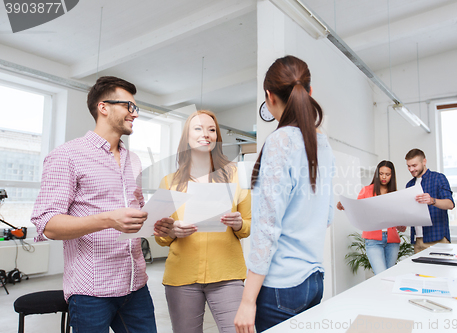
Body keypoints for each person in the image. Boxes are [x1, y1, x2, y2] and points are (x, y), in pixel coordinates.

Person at [31, 76, 174, 333]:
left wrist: (156, 223)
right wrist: (108, 219)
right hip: (91, 291)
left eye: (136, 108)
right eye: (129, 107)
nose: (135, 114)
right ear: (104, 107)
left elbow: (137, 212)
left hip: (136, 287)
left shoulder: (135, 161)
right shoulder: (66, 156)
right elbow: (48, 224)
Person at [233, 55, 335, 333]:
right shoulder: (322, 142)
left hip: (281, 286)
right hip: (314, 281)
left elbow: (267, 228)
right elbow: (327, 216)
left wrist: (247, 300)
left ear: (269, 96)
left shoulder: (279, 142)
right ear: (309, 92)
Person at [155, 110, 251, 333]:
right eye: (198, 129)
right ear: (186, 137)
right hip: (182, 276)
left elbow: (248, 224)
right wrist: (172, 231)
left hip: (227, 274)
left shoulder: (236, 175)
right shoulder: (169, 182)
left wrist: (239, 224)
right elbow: (160, 236)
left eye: (211, 130)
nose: (206, 134)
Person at [337, 160, 406, 275]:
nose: (384, 177)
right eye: (381, 173)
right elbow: (358, 212)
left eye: (387, 174)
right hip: (373, 241)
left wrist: (400, 223)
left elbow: (402, 227)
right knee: (381, 275)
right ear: (377, 174)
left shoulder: (396, 194)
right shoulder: (366, 191)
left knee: (389, 276)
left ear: (392, 176)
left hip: (392, 241)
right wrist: (346, 206)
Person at [405, 148, 454, 253]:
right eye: (408, 166)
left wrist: (432, 201)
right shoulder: (409, 185)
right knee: (419, 270)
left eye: (414, 165)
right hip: (418, 241)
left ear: (424, 162)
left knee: (441, 270)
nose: (411, 169)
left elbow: (450, 204)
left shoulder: (439, 178)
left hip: (437, 239)